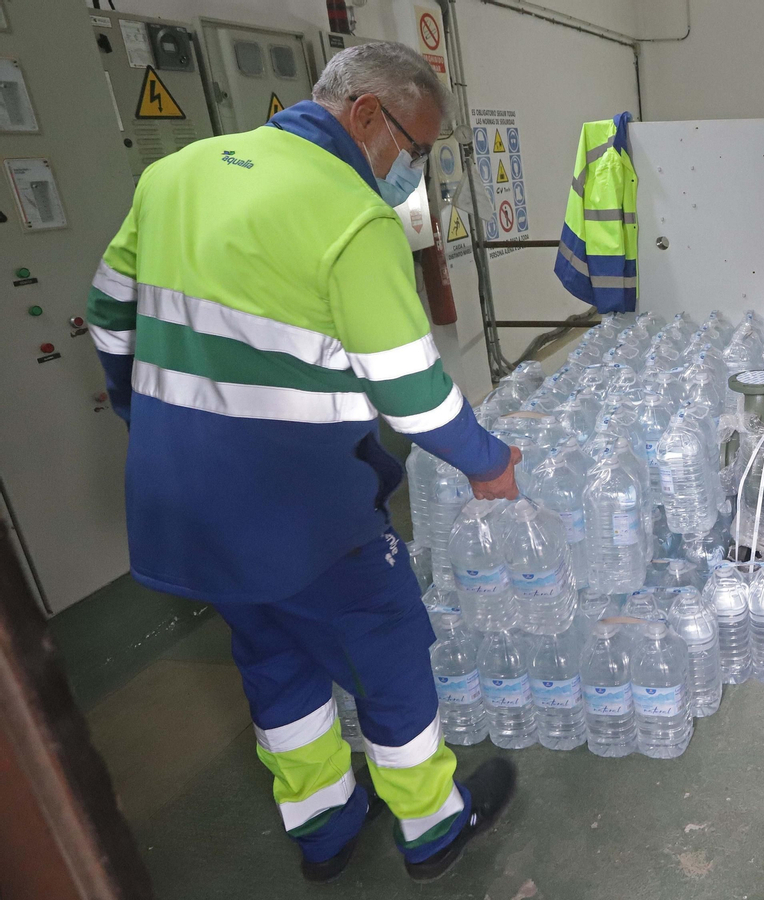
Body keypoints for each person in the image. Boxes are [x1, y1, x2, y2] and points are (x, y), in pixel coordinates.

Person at [86, 43, 518, 883]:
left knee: (273, 657)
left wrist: (150, 418)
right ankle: (432, 829)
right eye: (414, 149)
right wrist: (489, 461)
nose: (410, 172)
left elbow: (107, 315)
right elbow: (411, 393)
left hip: (187, 507)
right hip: (300, 512)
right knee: (389, 656)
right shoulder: (349, 213)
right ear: (364, 113)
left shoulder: (176, 174)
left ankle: (323, 828)